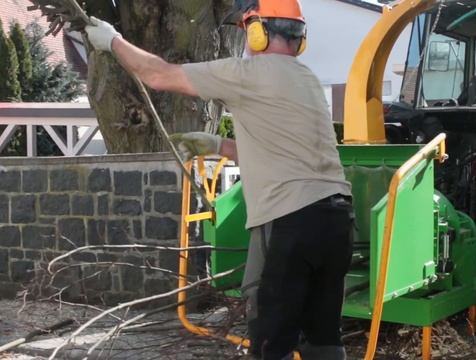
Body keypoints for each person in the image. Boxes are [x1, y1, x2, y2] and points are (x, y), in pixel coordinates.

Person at [85, 1, 353, 358]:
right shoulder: (306, 80)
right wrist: (217, 145)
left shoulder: (249, 73)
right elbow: (277, 151)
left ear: (259, 31)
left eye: (246, 31)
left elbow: (159, 75)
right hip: (336, 222)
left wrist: (113, 41)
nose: (245, 40)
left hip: (291, 222)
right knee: (322, 337)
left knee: (271, 339)